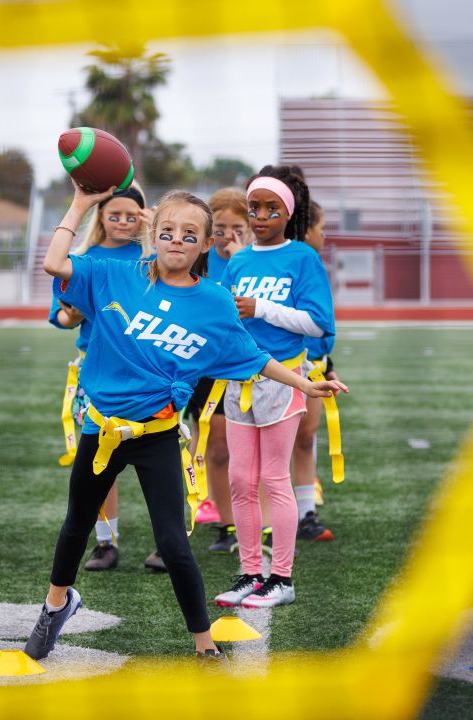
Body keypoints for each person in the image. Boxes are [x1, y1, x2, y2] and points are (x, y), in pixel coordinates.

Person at [25, 183, 346, 663]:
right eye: (169, 230)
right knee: (75, 526)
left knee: (174, 542)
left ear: (204, 245)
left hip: (155, 436)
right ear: (153, 234)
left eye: (190, 234)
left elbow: (253, 357)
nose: (177, 239)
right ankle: (56, 605)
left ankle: (204, 644)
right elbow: (54, 264)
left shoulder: (215, 301)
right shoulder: (116, 274)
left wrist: (305, 385)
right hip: (102, 430)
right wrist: (79, 204)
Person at [215, 165, 336, 609]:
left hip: (282, 379)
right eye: (255, 208)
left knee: (273, 479)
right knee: (241, 480)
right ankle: (250, 572)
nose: (261, 216)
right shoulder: (240, 260)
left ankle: (281, 578)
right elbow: (223, 314)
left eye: (271, 208)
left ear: (289, 212)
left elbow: (318, 322)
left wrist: (261, 308)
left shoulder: (303, 258)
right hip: (238, 381)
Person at [48, 184, 163, 573]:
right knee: (99, 458)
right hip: (96, 369)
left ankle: (168, 541)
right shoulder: (83, 258)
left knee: (163, 458)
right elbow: (63, 317)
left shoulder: (156, 255)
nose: (124, 222)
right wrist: (76, 312)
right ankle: (105, 542)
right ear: (100, 216)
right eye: (115, 214)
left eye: (133, 215)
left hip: (149, 368)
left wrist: (155, 230)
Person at [183, 188, 252, 553]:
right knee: (212, 442)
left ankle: (255, 523)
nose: (228, 234)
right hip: (203, 367)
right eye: (220, 227)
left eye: (236, 226)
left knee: (242, 448)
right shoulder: (201, 259)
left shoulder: (251, 259)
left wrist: (240, 258)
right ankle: (225, 522)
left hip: (243, 365)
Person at [293, 201, 341, 542]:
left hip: (315, 367)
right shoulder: (288, 262)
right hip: (285, 366)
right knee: (275, 445)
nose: (324, 235)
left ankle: (305, 512)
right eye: (321, 228)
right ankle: (272, 517)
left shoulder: (311, 264)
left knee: (306, 438)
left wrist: (330, 365)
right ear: (306, 229)